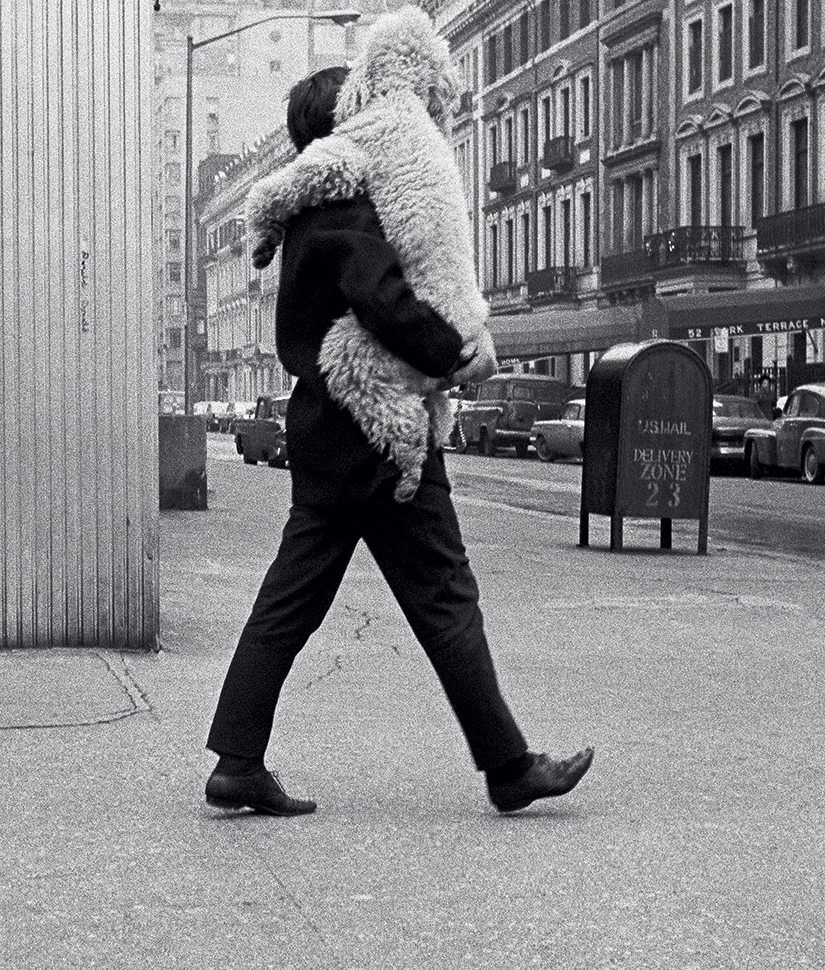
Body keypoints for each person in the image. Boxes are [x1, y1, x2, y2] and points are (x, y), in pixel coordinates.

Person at [202, 59, 593, 818]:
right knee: (445, 595)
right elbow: (385, 300)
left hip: (323, 430)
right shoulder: (344, 199)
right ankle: (508, 766)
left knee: (292, 599)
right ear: (346, 121)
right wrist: (455, 354)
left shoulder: (304, 211)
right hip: (377, 432)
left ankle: (236, 757)